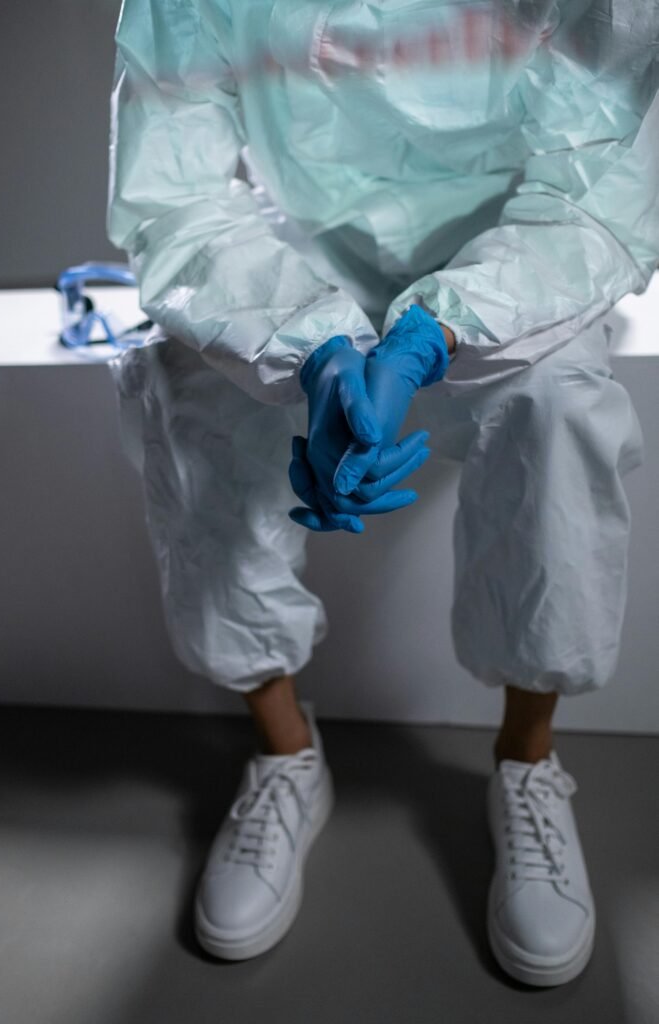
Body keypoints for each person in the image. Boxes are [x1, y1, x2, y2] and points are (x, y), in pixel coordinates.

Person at [106, 0, 658, 986]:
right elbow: (177, 197)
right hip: (297, 255)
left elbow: (593, 184)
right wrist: (310, 346)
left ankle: (525, 763)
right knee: (178, 385)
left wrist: (432, 330)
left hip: (510, 263)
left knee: (562, 405)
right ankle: (285, 753)